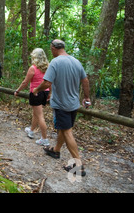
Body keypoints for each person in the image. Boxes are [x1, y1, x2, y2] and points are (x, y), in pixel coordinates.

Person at [33, 39, 91, 176]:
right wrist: (87, 97)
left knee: (66, 131)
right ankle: (56, 150)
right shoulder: (76, 61)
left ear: (53, 48)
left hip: (61, 104)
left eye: (51, 49)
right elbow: (85, 80)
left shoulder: (56, 62)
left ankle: (78, 165)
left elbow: (47, 83)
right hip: (73, 104)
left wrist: (36, 89)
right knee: (64, 129)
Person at [14, 48, 50, 146]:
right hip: (45, 93)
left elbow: (25, 82)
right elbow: (50, 81)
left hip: (36, 93)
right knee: (36, 113)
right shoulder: (48, 67)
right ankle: (31, 130)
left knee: (40, 116)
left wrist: (18, 90)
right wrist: (49, 93)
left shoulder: (33, 68)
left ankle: (44, 139)